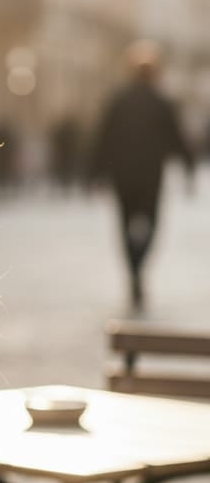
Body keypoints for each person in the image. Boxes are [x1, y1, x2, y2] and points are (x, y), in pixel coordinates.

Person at [90, 39, 195, 309]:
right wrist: (188, 169)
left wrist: (94, 172)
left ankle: (133, 270)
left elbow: (103, 138)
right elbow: (177, 139)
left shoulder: (119, 101)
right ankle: (139, 262)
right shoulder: (162, 102)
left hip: (122, 175)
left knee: (124, 224)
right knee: (151, 223)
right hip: (150, 176)